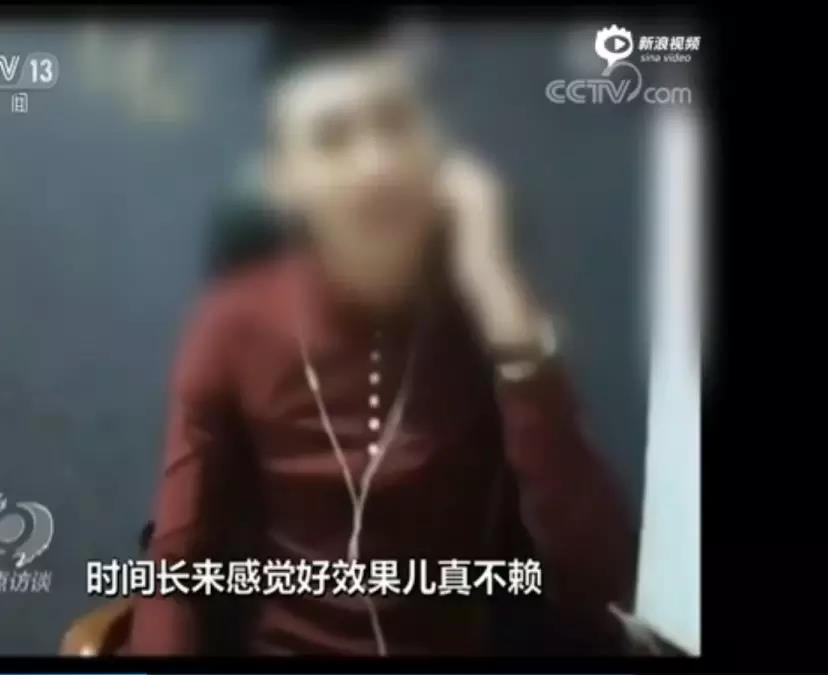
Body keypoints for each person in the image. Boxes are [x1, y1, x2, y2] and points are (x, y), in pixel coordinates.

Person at [125, 20, 636, 656]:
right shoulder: (232, 325)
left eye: (396, 125)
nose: (375, 167)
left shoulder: (486, 313)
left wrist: (506, 312)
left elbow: (598, 579)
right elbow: (175, 564)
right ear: (286, 181)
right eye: (333, 139)